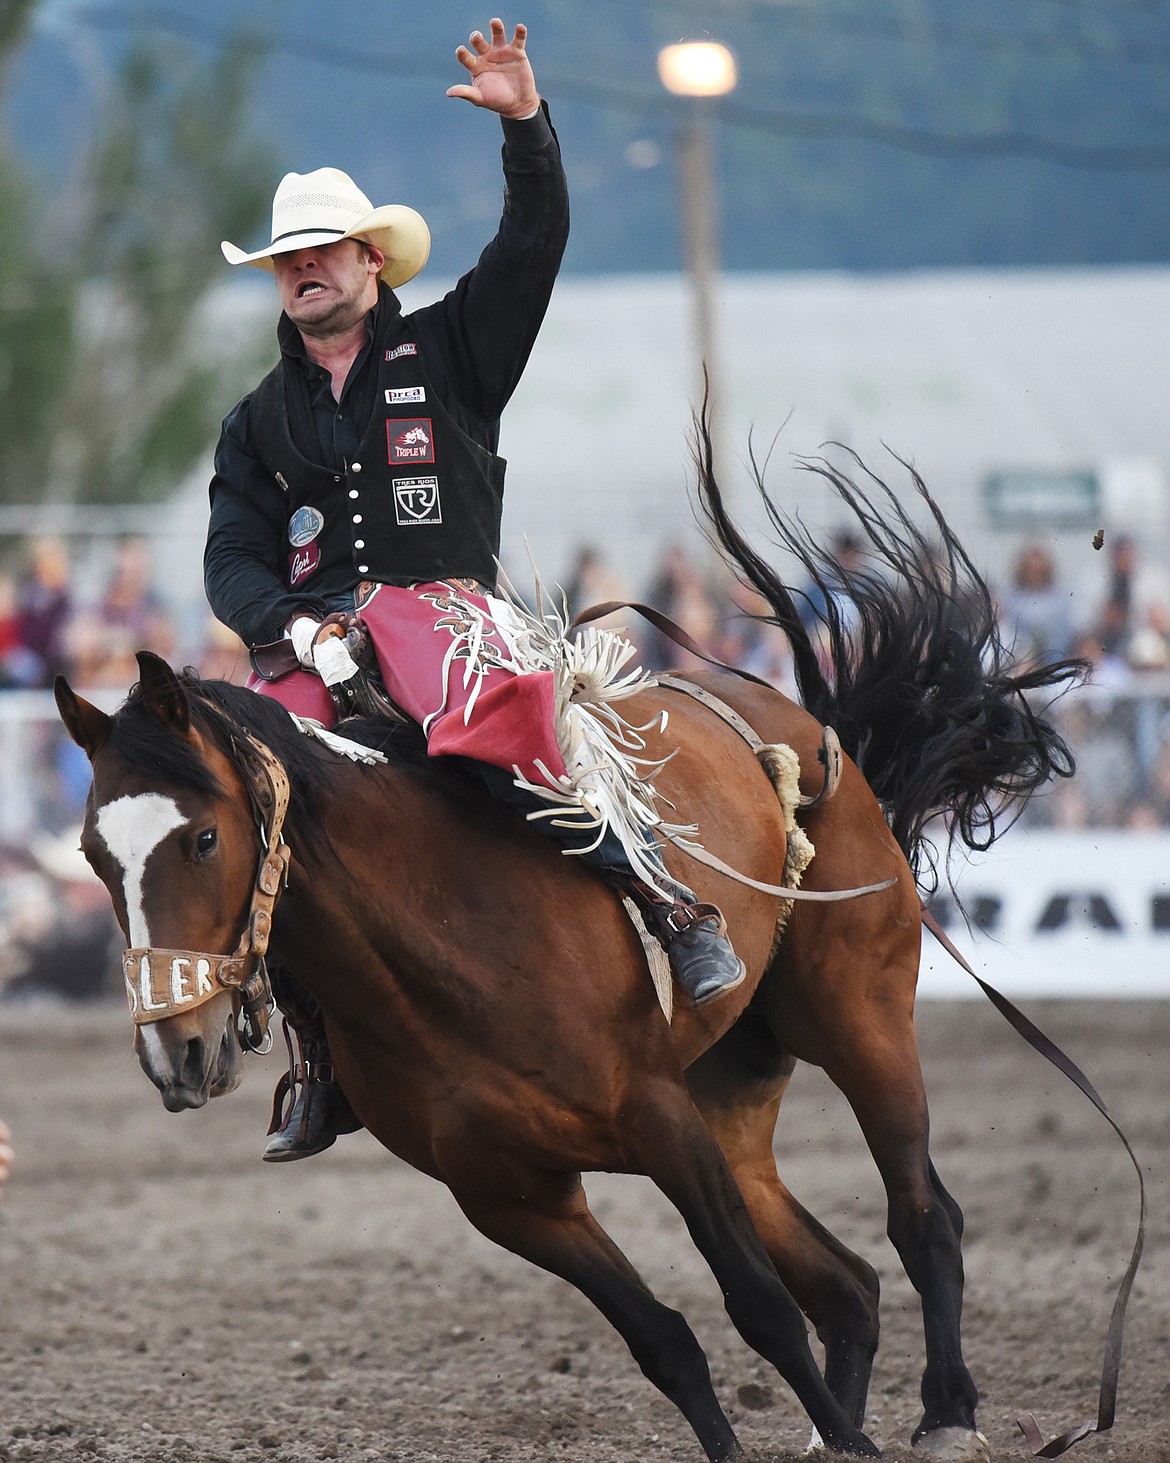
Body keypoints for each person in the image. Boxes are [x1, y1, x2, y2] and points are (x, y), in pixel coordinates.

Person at [205, 19, 745, 1163]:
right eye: (286, 259)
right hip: (308, 641)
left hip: (439, 602)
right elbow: (231, 560)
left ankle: (669, 903)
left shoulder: (456, 348)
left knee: (488, 706)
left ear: (369, 261)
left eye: (324, 251)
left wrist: (523, 127)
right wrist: (297, 626)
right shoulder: (255, 421)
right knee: (249, 787)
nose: (304, 269)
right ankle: (319, 1053)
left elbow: (534, 238)